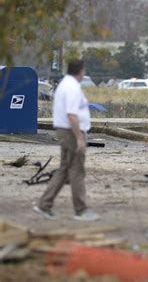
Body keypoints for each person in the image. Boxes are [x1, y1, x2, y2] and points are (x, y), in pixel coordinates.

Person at [34, 59, 100, 222]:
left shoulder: (65, 84)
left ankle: (44, 204)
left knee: (64, 170)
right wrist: (80, 138)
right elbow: (72, 114)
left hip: (65, 131)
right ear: (81, 71)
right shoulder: (72, 88)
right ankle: (81, 210)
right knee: (77, 170)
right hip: (71, 132)